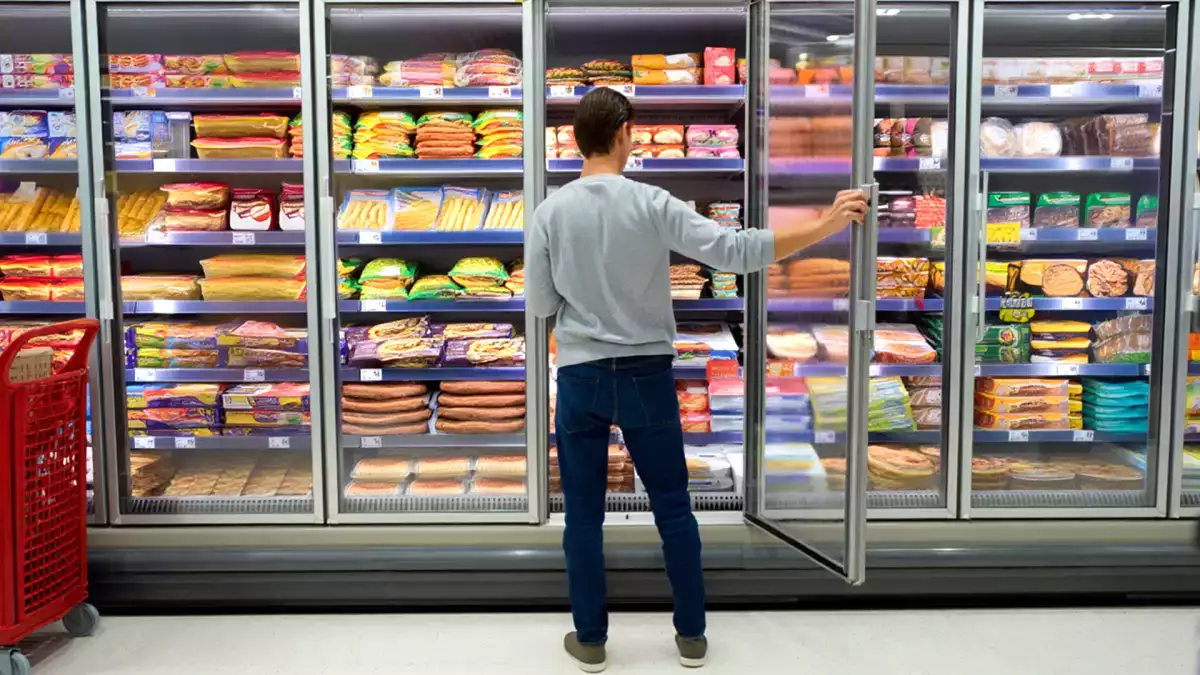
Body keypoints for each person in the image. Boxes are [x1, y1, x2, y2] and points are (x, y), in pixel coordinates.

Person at [525, 87, 868, 672]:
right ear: (626, 132)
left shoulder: (549, 212)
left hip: (580, 378)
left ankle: (589, 640)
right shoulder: (652, 202)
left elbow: (539, 305)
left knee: (582, 514)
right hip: (645, 376)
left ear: (578, 141)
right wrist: (826, 223)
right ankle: (690, 635)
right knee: (673, 507)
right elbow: (735, 251)